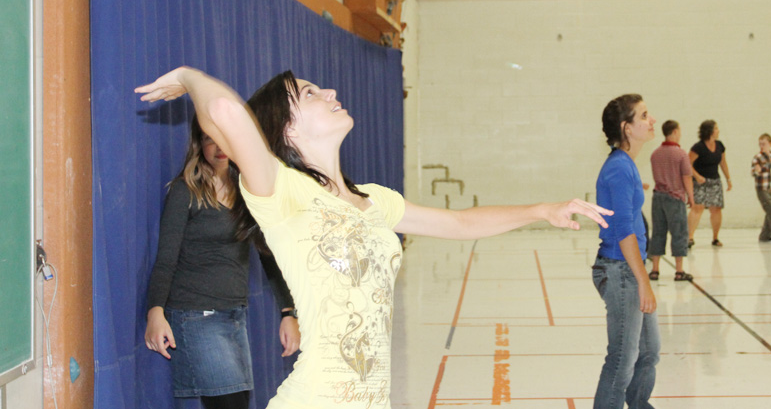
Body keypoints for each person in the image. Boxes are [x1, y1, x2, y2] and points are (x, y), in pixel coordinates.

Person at [136, 66, 610, 409]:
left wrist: (542, 210)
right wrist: (188, 76)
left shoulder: (375, 201)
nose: (330, 91)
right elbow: (221, 109)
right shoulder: (282, 192)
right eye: (309, 92)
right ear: (287, 127)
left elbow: (462, 224)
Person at [145, 115, 301, 409]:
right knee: (230, 404)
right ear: (198, 145)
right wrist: (155, 311)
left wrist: (288, 312)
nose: (218, 146)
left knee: (238, 402)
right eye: (208, 139)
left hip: (234, 316)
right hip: (196, 316)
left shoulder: (248, 192)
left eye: (224, 137)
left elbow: (269, 258)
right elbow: (166, 258)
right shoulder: (185, 191)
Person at [592, 94, 661, 409]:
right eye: (644, 115)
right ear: (627, 128)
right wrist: (643, 281)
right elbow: (623, 232)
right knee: (622, 358)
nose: (652, 120)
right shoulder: (619, 168)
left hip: (628, 269)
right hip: (621, 271)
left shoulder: (626, 166)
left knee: (647, 353)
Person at [648, 120, 693, 282]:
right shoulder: (681, 154)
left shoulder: (655, 154)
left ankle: (654, 270)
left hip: (658, 197)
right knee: (679, 233)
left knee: (658, 232)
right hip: (675, 198)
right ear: (674, 132)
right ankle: (679, 271)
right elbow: (686, 177)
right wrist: (691, 197)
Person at [687, 120, 731, 247]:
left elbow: (723, 163)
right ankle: (689, 237)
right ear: (710, 131)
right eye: (716, 128)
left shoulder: (720, 145)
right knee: (697, 208)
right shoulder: (698, 147)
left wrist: (728, 179)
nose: (718, 131)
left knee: (716, 209)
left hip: (715, 181)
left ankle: (715, 238)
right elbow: (687, 164)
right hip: (700, 182)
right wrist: (697, 176)